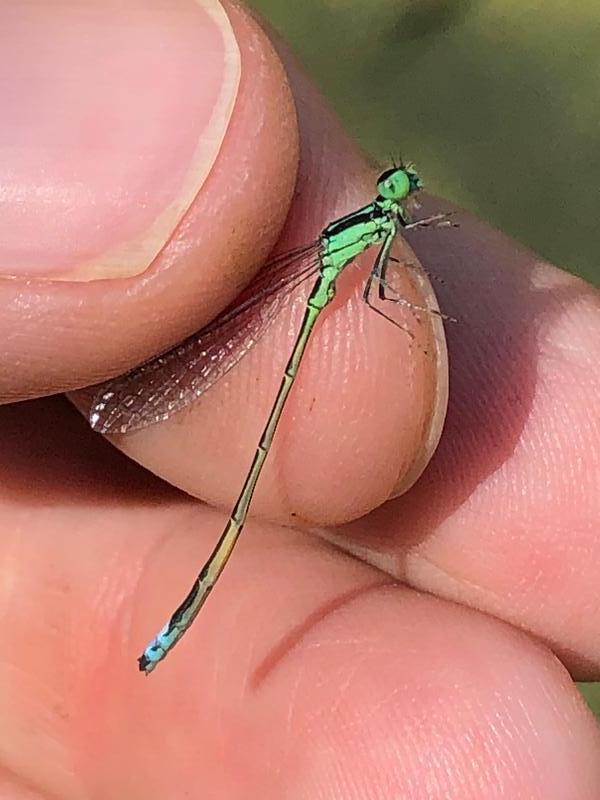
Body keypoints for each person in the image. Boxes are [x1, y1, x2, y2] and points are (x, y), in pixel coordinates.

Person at [0, 1, 599, 796]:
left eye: (398, 187)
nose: (400, 190)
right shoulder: (375, 226)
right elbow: (382, 293)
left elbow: (381, 282)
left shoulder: (378, 223)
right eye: (397, 186)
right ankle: (186, 614)